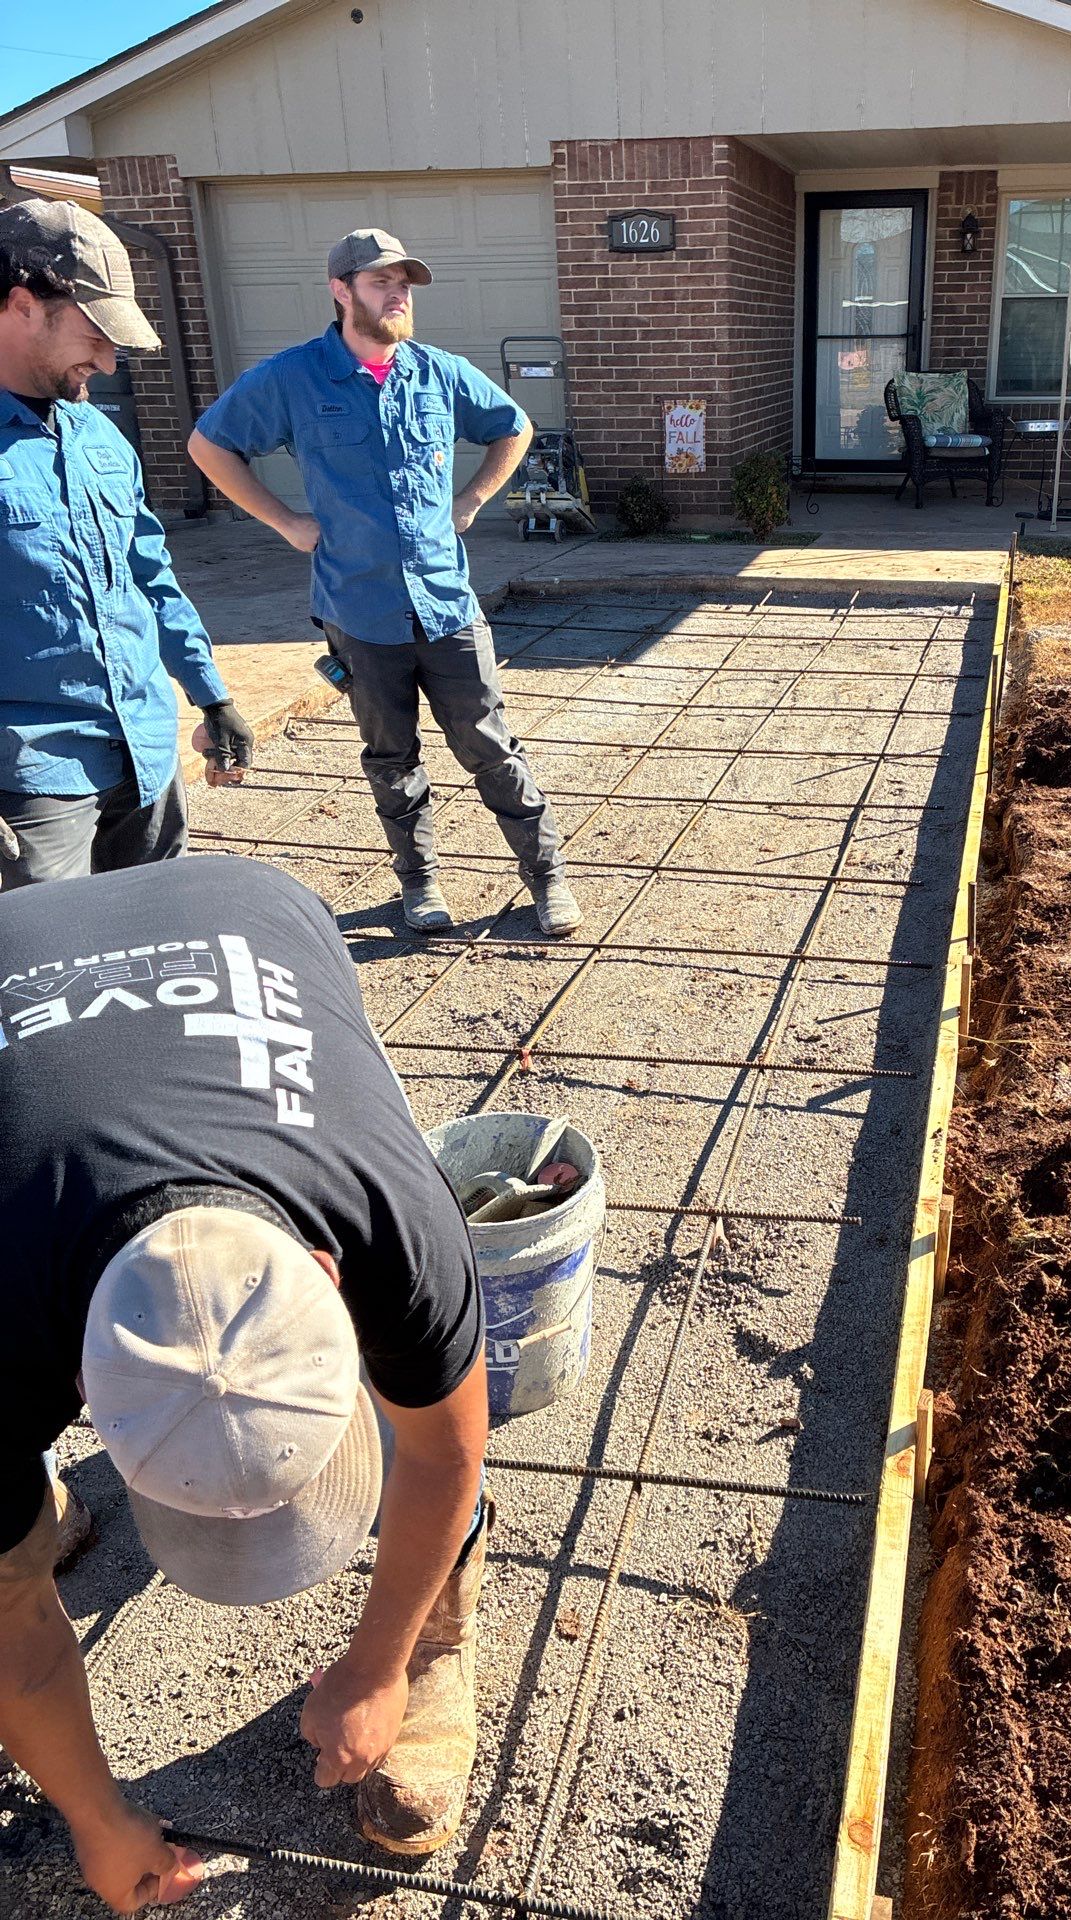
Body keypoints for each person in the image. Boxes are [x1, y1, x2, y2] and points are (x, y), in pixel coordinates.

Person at [0, 853, 492, 1911]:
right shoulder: (5, 1323)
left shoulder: (385, 1217)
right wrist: (96, 1813)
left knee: (445, 1378)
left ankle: (441, 1642)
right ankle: (30, 1508)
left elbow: (445, 1448)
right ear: (76, 1378)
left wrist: (379, 1666)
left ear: (329, 1277)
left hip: (242, 908)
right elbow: (8, 1626)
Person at [188, 227, 581, 939]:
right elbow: (208, 445)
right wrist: (286, 522)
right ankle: (419, 884)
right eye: (379, 282)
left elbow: (513, 427)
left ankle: (547, 877)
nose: (397, 294)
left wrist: (472, 500)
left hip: (445, 604)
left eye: (404, 283)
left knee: (492, 746)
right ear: (341, 291)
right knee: (392, 759)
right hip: (359, 609)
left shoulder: (438, 372)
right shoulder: (293, 378)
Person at [0, 197, 254, 888]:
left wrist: (210, 694)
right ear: (24, 305)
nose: (109, 362)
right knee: (43, 970)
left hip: (143, 749)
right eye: (96, 332)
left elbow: (149, 577)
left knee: (152, 944)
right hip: (35, 773)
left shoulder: (100, 437)